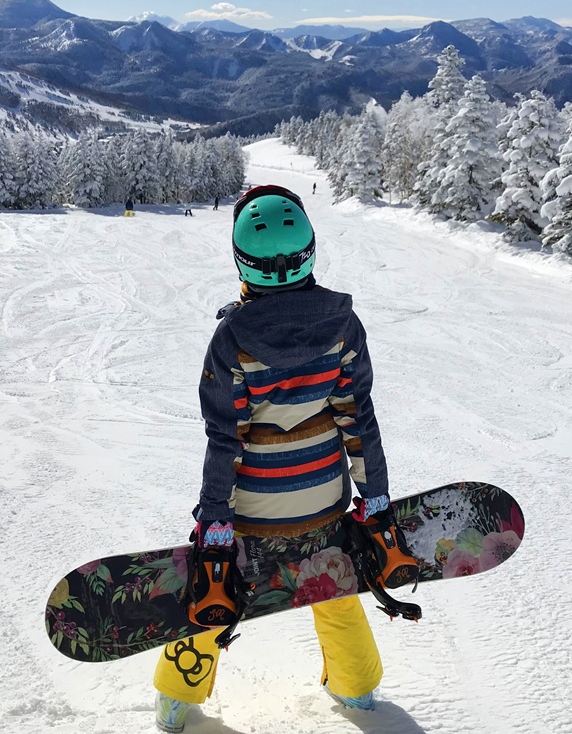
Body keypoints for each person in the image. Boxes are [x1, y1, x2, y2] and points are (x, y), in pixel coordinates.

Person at [153, 184, 399, 732]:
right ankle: (357, 690)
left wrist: (216, 526)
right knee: (333, 583)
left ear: (243, 263)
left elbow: (225, 439)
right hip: (324, 504)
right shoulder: (343, 326)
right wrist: (375, 502)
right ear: (309, 251)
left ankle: (177, 697)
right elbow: (358, 420)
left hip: (251, 513)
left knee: (215, 592)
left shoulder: (231, 341)